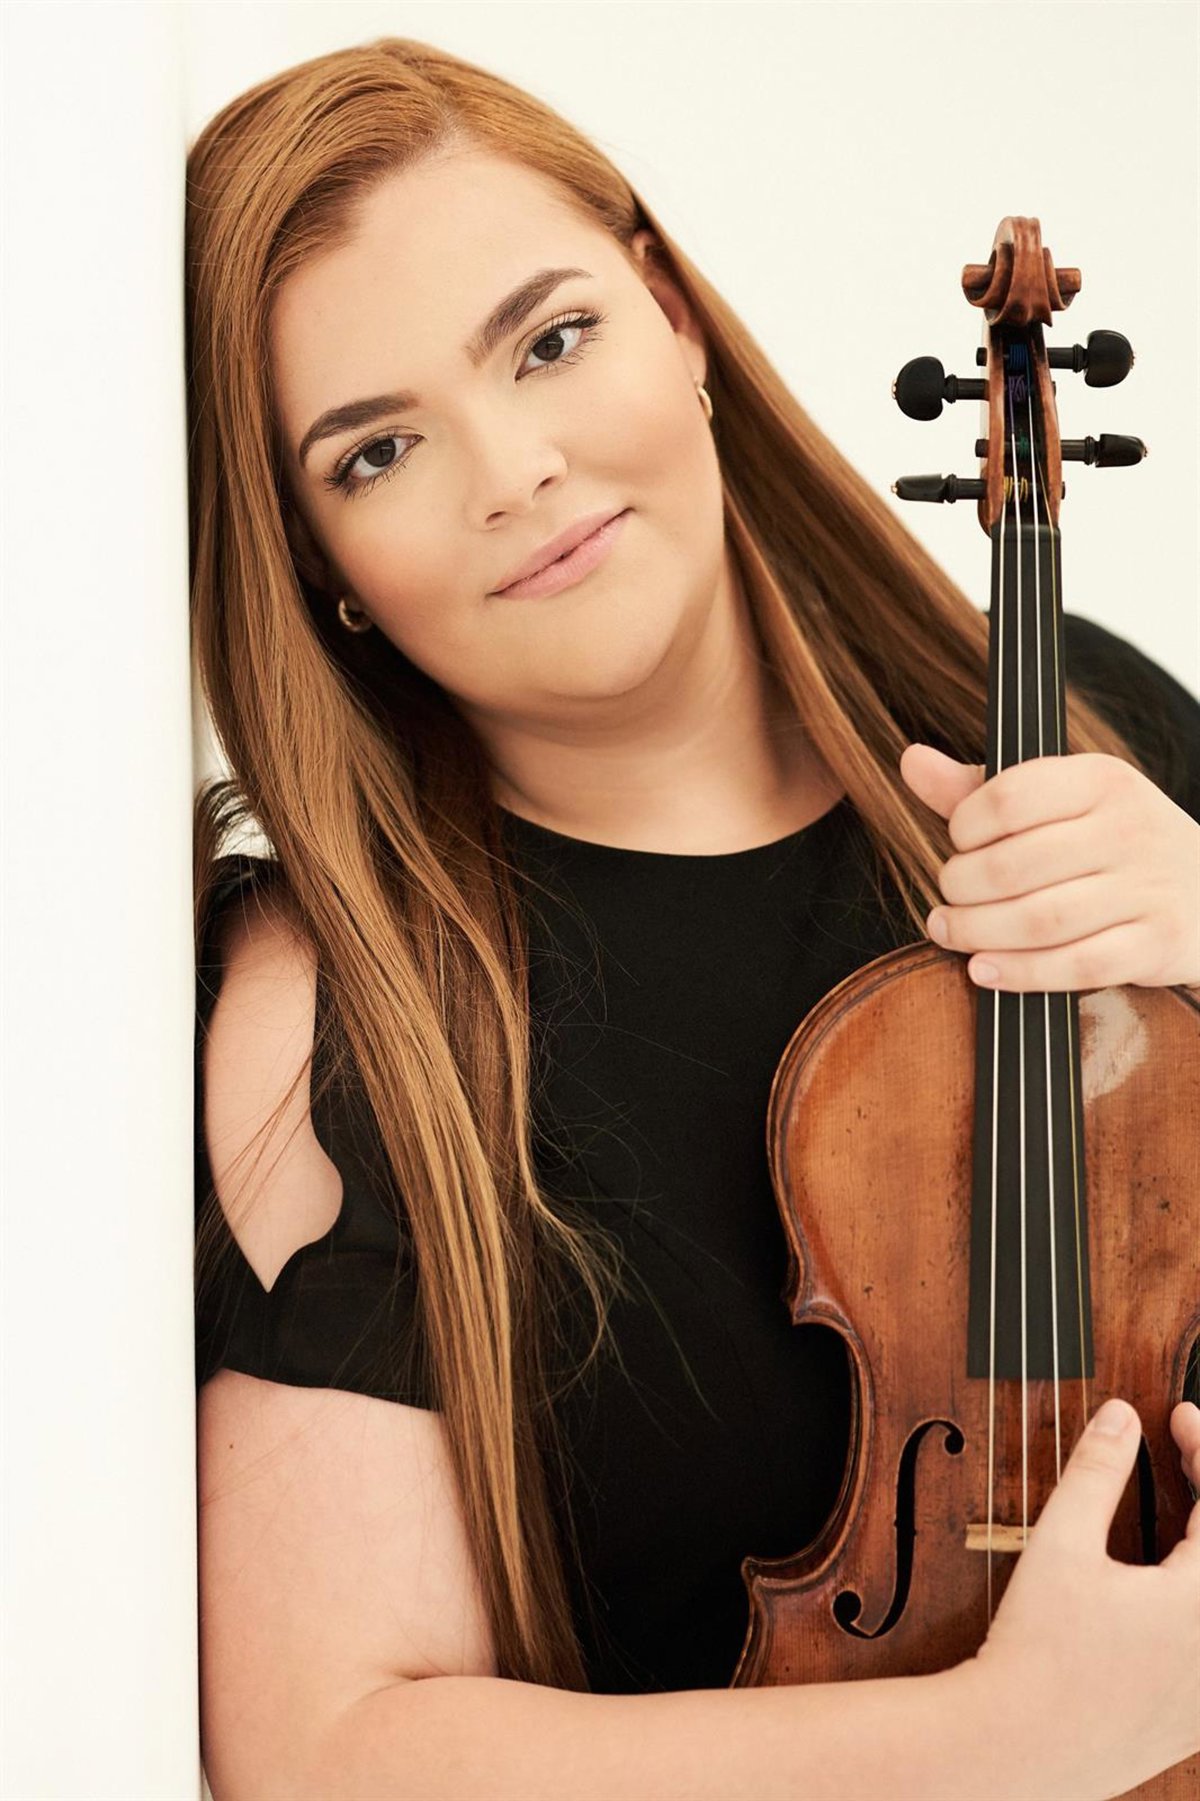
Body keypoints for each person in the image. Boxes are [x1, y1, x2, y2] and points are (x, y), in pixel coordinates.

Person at [189, 35, 1200, 1801]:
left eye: (550, 340)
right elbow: (322, 1746)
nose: (514, 469)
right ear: (316, 563)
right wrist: (1017, 1740)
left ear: (675, 319)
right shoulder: (348, 1010)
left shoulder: (1089, 731)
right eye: (378, 451)